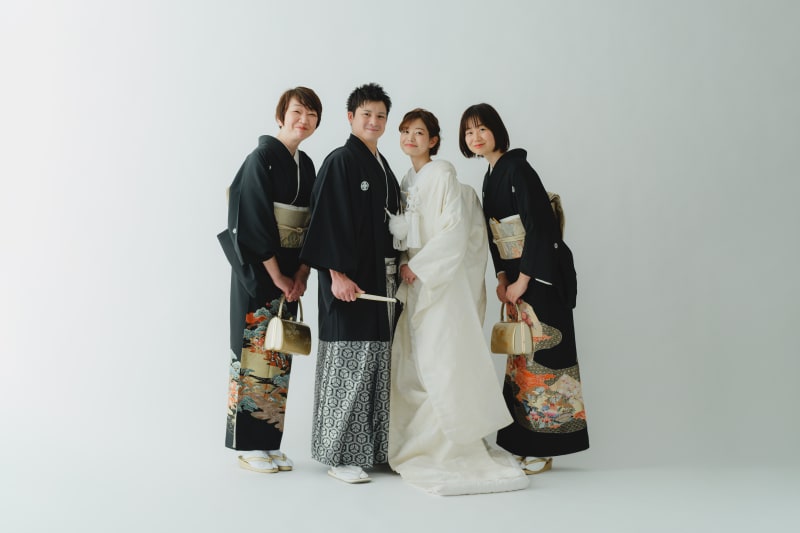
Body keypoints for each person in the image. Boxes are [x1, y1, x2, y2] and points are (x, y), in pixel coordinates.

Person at [387, 108, 529, 495]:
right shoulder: (406, 180)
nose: (411, 138)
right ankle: (415, 440)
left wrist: (421, 266)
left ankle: (448, 441)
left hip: (439, 280)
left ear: (434, 140)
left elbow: (454, 231)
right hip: (415, 280)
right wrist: (407, 266)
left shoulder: (443, 173)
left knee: (441, 357)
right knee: (414, 359)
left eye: (419, 133)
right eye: (405, 132)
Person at [459, 103, 589, 474]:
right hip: (518, 279)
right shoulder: (491, 175)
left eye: (482, 128)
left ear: (496, 130)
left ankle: (545, 448)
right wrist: (502, 278)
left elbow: (540, 226)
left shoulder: (517, 168)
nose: (476, 137)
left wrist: (523, 279)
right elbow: (494, 236)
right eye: (469, 132)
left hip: (540, 279)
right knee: (520, 362)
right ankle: (522, 443)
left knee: (544, 360)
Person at [300, 83, 402, 484]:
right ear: (350, 117)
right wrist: (336, 274)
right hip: (348, 284)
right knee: (348, 364)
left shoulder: (382, 166)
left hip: (379, 282)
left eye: (380, 116)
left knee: (376, 364)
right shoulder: (341, 161)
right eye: (366, 115)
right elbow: (325, 218)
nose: (373, 122)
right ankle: (339, 454)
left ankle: (373, 450)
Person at [221, 87, 322, 473]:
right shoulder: (261, 158)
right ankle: (248, 446)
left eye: (311, 114)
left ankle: (268, 441)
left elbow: (313, 222)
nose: (303, 120)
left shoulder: (306, 165)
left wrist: (301, 272)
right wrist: (277, 274)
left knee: (279, 350)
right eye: (297, 111)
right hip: (260, 271)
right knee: (253, 351)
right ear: (281, 116)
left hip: (289, 274)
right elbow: (252, 217)